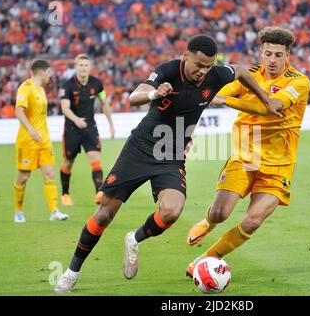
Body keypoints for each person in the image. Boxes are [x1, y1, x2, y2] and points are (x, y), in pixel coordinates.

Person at [54, 34, 278, 293]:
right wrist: (154, 93)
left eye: (208, 66)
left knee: (172, 210)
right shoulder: (168, 70)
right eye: (199, 65)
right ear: (186, 56)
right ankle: (72, 272)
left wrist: (264, 99)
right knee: (104, 214)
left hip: (170, 155)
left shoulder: (216, 75)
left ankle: (134, 239)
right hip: (139, 149)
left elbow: (240, 71)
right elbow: (135, 96)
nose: (203, 72)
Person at [185, 27, 310, 277]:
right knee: (220, 212)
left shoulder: (299, 81)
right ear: (261, 53)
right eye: (268, 54)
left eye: (278, 55)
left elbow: (272, 106)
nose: (272, 60)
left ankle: (205, 260)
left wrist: (225, 101)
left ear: (288, 55)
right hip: (245, 157)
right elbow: (220, 92)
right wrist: (218, 96)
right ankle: (208, 222)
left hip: (279, 165)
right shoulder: (249, 75)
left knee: (252, 221)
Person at [13, 59, 69, 223]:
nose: (50, 76)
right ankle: (18, 212)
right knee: (23, 176)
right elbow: (19, 111)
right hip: (28, 141)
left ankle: (54, 211)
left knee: (50, 174)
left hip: (44, 140)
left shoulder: (41, 89)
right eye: (49, 73)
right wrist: (31, 130)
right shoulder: (26, 88)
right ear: (42, 72)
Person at [59, 54, 115, 206]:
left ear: (90, 67)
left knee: (95, 159)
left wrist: (111, 124)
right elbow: (65, 108)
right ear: (76, 66)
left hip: (90, 127)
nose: (83, 68)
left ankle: (99, 193)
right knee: (68, 162)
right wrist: (76, 120)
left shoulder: (97, 84)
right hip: (72, 129)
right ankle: (65, 194)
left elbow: (104, 103)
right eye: (81, 65)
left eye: (86, 65)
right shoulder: (67, 85)